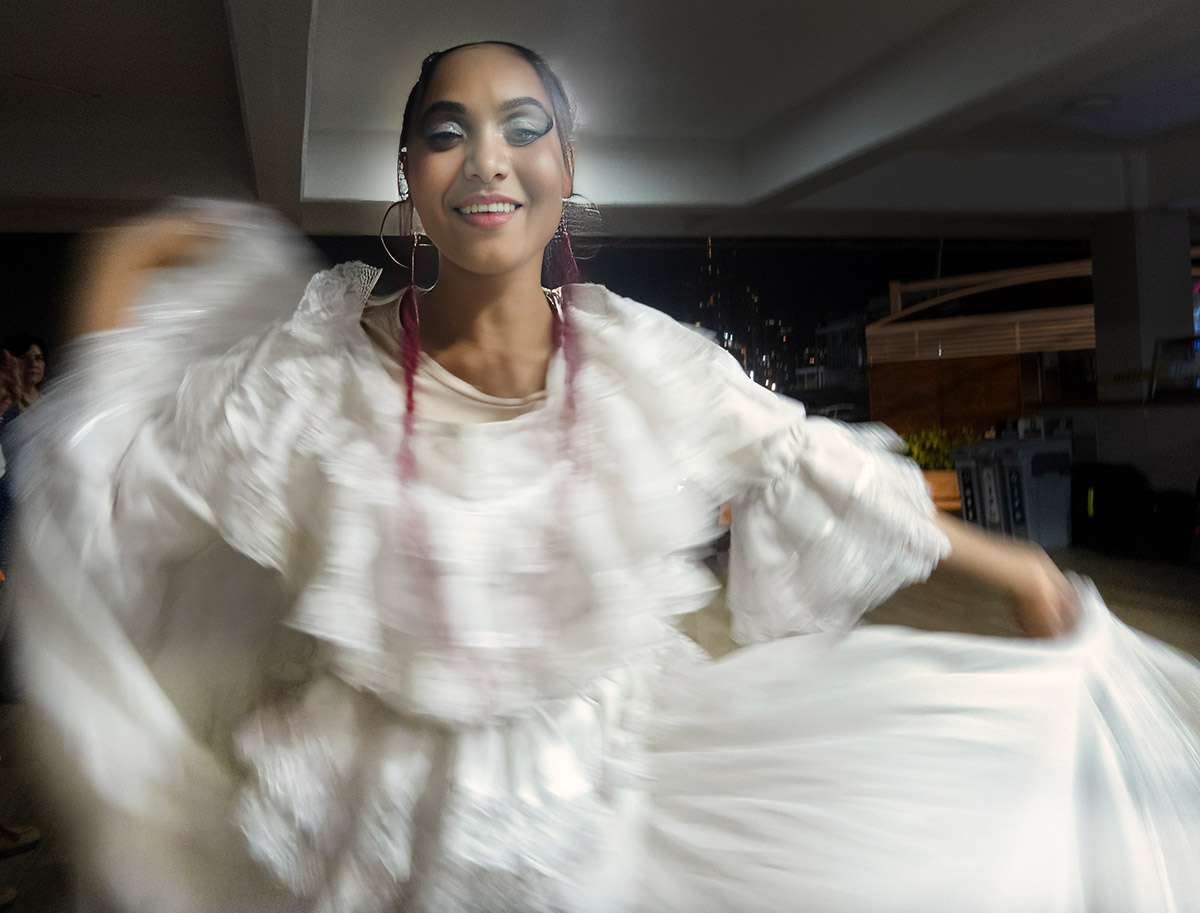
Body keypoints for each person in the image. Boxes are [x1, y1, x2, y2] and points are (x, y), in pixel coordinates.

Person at [8, 41, 1199, 913]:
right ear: (410, 173)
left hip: (598, 818)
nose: (488, 157)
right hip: (366, 838)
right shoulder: (305, 372)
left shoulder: (640, 357)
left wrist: (1018, 569)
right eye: (447, 129)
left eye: (524, 126)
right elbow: (119, 482)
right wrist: (117, 302)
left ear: (568, 166)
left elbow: (804, 456)